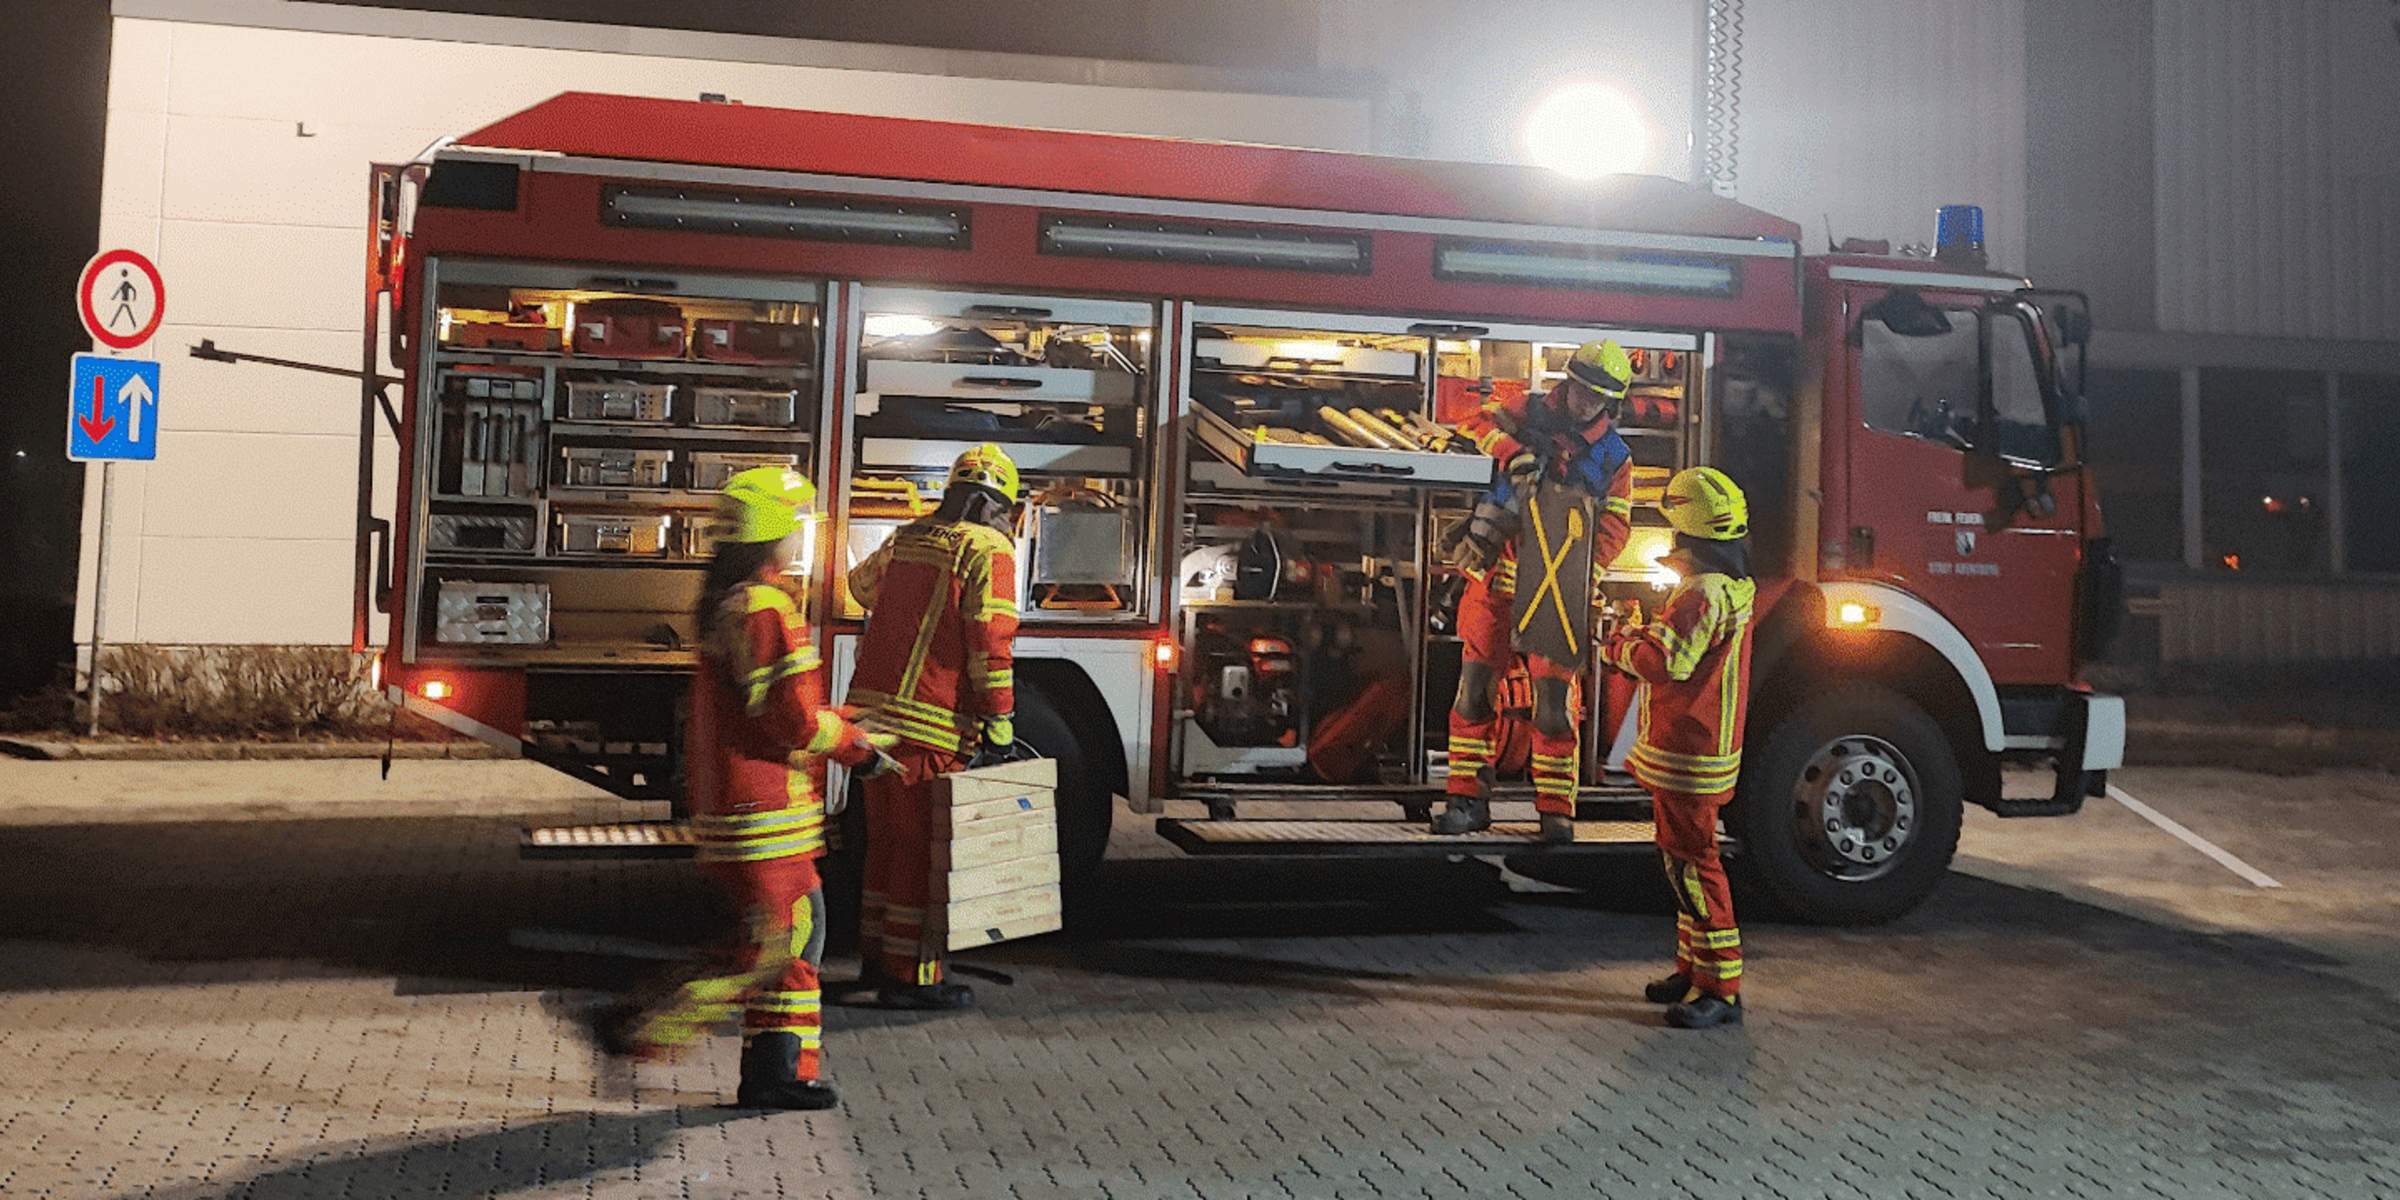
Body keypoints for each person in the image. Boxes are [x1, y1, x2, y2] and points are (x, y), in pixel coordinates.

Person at [593, 467, 898, 1109]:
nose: (803, 536)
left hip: (743, 808)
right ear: (775, 532)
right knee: (772, 948)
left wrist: (842, 724)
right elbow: (791, 721)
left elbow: (766, 708)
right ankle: (646, 1026)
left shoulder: (732, 602)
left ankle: (776, 1072)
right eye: (798, 525)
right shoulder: (765, 607)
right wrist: (857, 748)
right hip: (764, 812)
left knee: (798, 937)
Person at [844, 442, 1023, 1010]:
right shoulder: (989, 549)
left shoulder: (907, 537)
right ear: (994, 504)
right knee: (922, 854)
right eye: (1005, 511)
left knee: (885, 847)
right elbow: (990, 644)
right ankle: (913, 977)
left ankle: (876, 959)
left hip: (869, 722)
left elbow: (859, 587)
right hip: (931, 726)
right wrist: (999, 720)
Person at [1436, 339, 1636, 842]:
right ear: (1568, 381)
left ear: (1611, 402)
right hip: (1496, 575)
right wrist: (1513, 453)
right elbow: (1473, 423)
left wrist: (1585, 572)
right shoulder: (1525, 411)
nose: (1585, 401)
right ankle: (1466, 800)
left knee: (1554, 702)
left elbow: (1614, 527)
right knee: (1474, 691)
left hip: (1558, 588)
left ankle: (1554, 810)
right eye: (1581, 389)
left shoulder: (1615, 457)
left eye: (1597, 396)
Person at [1596, 467, 1757, 1029]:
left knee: (1694, 868)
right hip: (1701, 749)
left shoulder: (1700, 594)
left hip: (1688, 752)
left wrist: (1617, 642)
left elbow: (1666, 663)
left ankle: (1722, 991)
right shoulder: (1731, 587)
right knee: (1682, 862)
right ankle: (1693, 972)